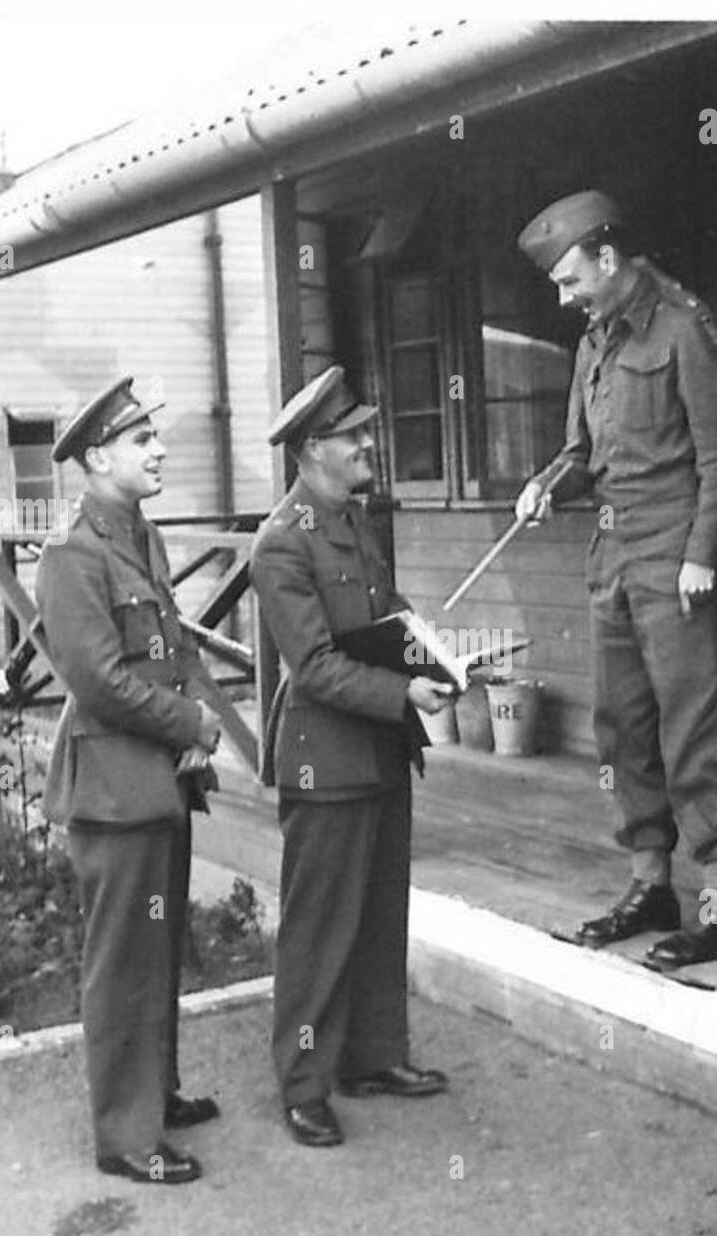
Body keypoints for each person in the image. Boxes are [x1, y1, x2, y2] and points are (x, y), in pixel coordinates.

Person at [514, 190, 717, 968]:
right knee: (622, 727)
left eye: (571, 278)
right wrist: (548, 483)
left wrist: (699, 554)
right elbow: (583, 453)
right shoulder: (593, 343)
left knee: (695, 729)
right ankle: (651, 883)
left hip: (676, 561)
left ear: (609, 259)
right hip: (612, 561)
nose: (565, 295)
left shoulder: (683, 327)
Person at [250, 365, 452, 1148]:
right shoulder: (281, 543)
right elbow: (317, 667)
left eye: (363, 430)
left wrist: (439, 661)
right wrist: (405, 695)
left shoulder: (353, 521)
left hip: (377, 752)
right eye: (351, 435)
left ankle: (372, 1058)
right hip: (325, 759)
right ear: (310, 450)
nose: (368, 442)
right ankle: (304, 1084)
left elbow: (383, 621)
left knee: (376, 913)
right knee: (319, 929)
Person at [37, 376, 223, 1184]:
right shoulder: (71, 555)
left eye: (157, 437)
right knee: (122, 962)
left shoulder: (138, 533)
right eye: (143, 440)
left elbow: (171, 644)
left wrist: (189, 724)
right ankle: (124, 1135)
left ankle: (156, 1093)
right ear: (98, 455)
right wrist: (190, 724)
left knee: (158, 948)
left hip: (158, 777)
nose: (160, 450)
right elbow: (101, 681)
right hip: (114, 789)